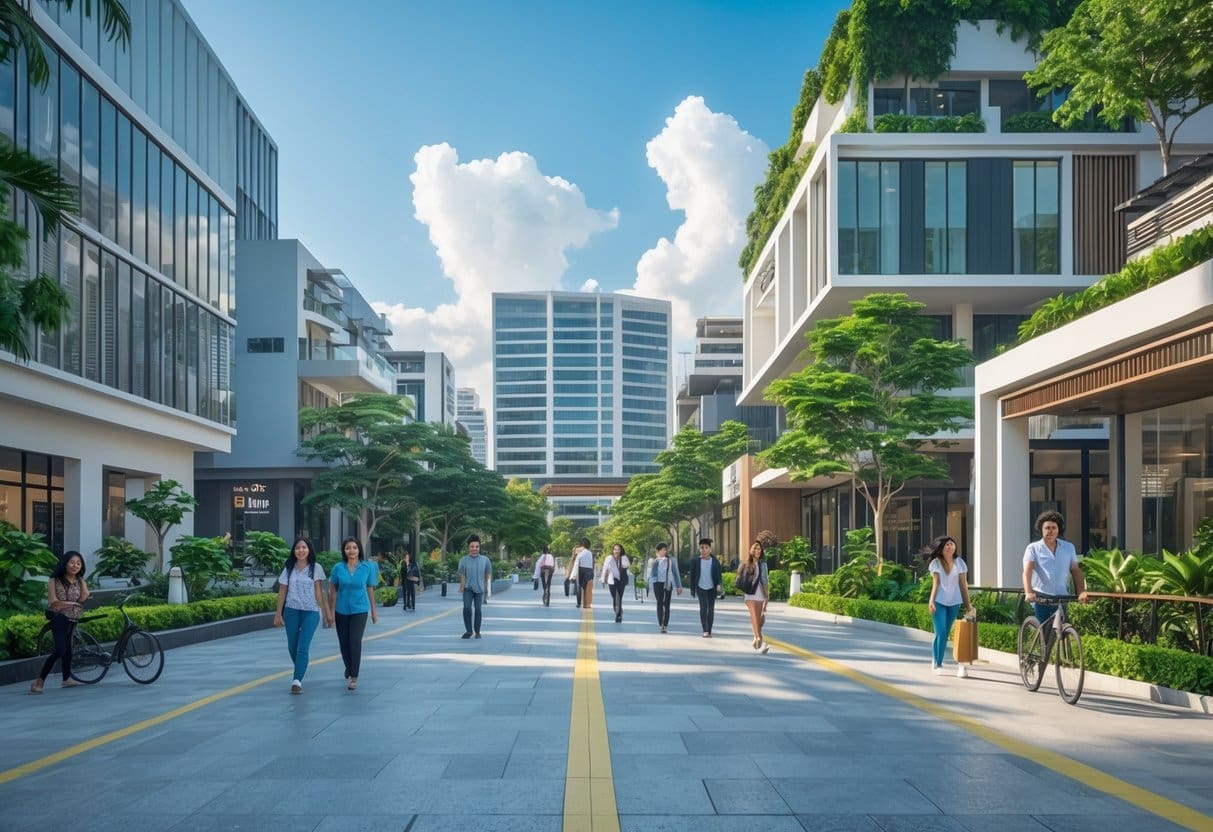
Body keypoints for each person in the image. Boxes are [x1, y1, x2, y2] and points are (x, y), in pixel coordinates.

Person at [273, 537, 330, 694]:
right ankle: (301, 666)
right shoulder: (289, 567)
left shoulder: (315, 568)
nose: (301, 550)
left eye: (304, 547)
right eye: (298, 548)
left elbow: (320, 592)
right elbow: (282, 591)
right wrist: (278, 614)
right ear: (294, 551)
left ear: (309, 549)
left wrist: (326, 614)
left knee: (302, 647)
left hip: (311, 611)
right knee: (293, 647)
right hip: (291, 610)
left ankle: (297, 680)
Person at [31, 551, 90, 693]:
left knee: (69, 648)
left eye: (78, 563)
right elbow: (53, 602)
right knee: (60, 649)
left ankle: (66, 679)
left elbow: (83, 598)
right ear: (65, 563)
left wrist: (82, 590)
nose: (75, 565)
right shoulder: (54, 580)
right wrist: (73, 604)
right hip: (59, 617)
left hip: (74, 617)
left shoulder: (79, 580)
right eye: (72, 562)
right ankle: (39, 681)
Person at [328, 536, 378, 691]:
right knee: (344, 642)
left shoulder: (367, 567)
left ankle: (354, 676)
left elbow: (370, 588)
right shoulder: (338, 568)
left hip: (360, 609)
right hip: (341, 610)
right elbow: (332, 590)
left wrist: (374, 612)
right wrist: (330, 613)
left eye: (354, 548)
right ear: (344, 550)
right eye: (348, 548)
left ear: (359, 550)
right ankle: (348, 667)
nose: (351, 551)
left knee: (354, 640)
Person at [1023, 509, 1088, 626]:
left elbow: (1075, 570)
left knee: (1061, 631)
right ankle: (1040, 643)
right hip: (1041, 598)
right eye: (1047, 528)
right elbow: (1027, 571)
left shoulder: (1069, 547)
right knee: (1044, 636)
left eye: (1054, 528)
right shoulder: (1033, 548)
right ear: (1041, 530)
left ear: (1058, 530)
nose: (1050, 531)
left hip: (1062, 598)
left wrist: (1082, 592)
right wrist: (1028, 592)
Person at [924, 535, 973, 676]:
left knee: (944, 634)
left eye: (952, 544)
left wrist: (968, 606)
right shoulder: (936, 563)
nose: (950, 546)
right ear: (941, 548)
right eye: (947, 545)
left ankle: (935, 657)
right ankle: (938, 663)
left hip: (954, 602)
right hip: (939, 602)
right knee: (941, 632)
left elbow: (963, 586)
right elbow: (936, 583)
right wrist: (931, 601)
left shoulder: (960, 563)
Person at [739, 540, 771, 653]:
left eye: (759, 549)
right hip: (750, 593)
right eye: (756, 549)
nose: (758, 551)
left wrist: (767, 597)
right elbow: (743, 579)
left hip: (760, 594)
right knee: (753, 615)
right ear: (752, 550)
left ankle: (757, 638)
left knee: (758, 618)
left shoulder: (763, 565)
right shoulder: (746, 564)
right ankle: (758, 638)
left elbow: (765, 581)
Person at [458, 533, 492, 638]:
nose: (474, 549)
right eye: (472, 547)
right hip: (468, 588)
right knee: (467, 608)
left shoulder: (485, 560)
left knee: (478, 609)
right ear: (469, 547)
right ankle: (469, 631)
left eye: (477, 547)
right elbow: (462, 574)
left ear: (479, 547)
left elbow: (488, 574)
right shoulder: (464, 560)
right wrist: (462, 587)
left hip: (480, 589)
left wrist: (488, 588)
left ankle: (477, 631)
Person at [688, 538, 722, 638]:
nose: (704, 549)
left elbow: (719, 575)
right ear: (700, 549)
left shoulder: (715, 561)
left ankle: (709, 630)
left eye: (706, 547)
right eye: (702, 547)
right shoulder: (695, 561)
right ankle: (705, 630)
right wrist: (692, 589)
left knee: (710, 609)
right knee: (703, 608)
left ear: (710, 549)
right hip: (700, 587)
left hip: (712, 588)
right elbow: (692, 576)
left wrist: (719, 584)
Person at [648, 542, 682, 633]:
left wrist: (679, 586)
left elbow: (675, 573)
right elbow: (651, 574)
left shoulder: (671, 560)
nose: (664, 551)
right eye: (662, 550)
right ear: (658, 551)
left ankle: (665, 624)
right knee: (659, 603)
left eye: (665, 550)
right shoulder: (655, 561)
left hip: (668, 584)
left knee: (666, 604)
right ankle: (661, 623)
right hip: (657, 584)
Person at [600, 543, 631, 623]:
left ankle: (618, 615)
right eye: (615, 549)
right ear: (613, 550)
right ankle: (618, 609)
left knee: (619, 597)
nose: (616, 551)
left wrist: (621, 562)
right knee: (614, 596)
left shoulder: (624, 558)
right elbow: (605, 569)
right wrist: (603, 579)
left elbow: (627, 565)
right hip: (612, 580)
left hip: (621, 580)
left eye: (618, 549)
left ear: (621, 550)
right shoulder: (609, 558)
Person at [575, 538, 596, 610]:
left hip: (581, 570)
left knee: (579, 587)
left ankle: (579, 603)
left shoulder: (579, 552)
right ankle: (587, 603)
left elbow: (577, 562)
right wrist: (593, 572)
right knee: (587, 588)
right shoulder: (590, 553)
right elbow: (593, 563)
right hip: (589, 571)